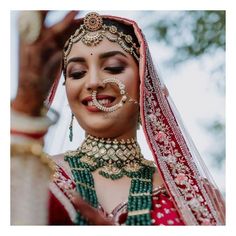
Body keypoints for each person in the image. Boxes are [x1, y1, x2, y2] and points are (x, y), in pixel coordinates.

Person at [11, 11, 225, 225]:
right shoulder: (40, 176)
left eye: (113, 68)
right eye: (77, 73)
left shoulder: (190, 195)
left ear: (145, 85)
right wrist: (25, 110)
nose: (93, 82)